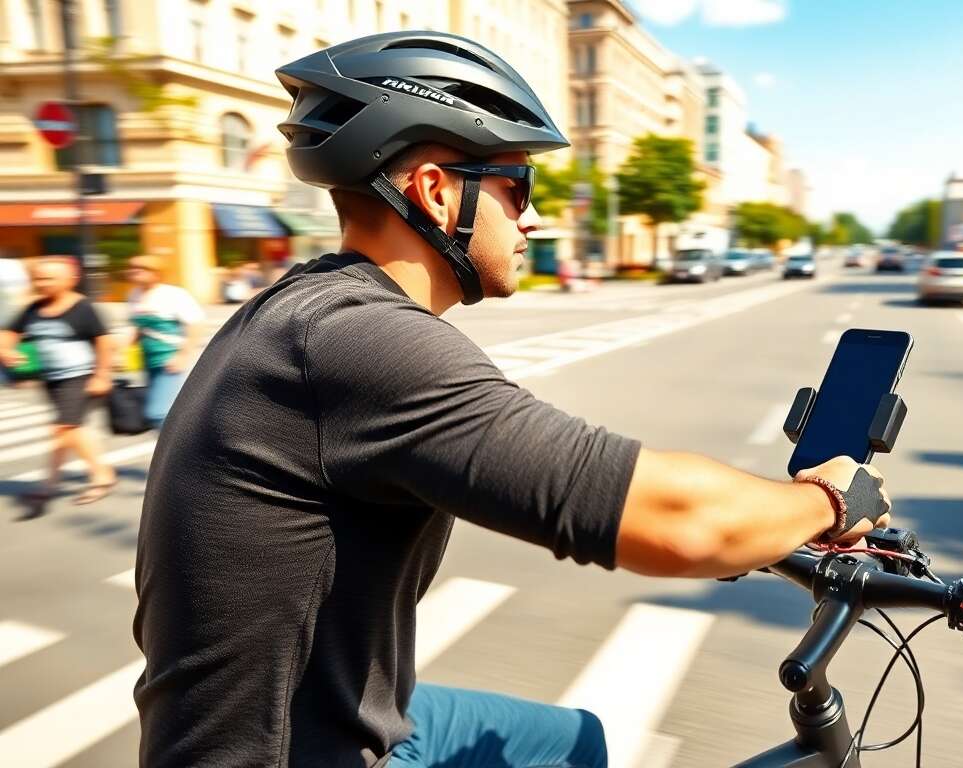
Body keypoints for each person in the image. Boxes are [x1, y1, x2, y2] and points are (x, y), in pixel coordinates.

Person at [132, 32, 892, 768]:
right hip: (289, 753)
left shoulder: (303, 308)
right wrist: (831, 498)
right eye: (517, 186)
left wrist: (766, 526)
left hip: (332, 712)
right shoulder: (358, 342)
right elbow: (680, 522)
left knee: (571, 743)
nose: (534, 217)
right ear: (436, 191)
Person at [0, 257, 116, 516]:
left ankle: (85, 479)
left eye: (49, 278)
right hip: (52, 379)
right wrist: (6, 351)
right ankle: (66, 480)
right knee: (70, 431)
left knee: (64, 428)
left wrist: (102, 375)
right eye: (39, 278)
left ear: (69, 280)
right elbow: (7, 335)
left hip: (80, 376)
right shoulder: (34, 308)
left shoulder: (82, 307)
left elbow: (104, 342)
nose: (42, 283)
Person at [124, 255, 204, 428]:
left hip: (169, 359)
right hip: (148, 360)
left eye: (141, 269)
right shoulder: (134, 295)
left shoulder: (173, 294)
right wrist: (122, 350)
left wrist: (183, 355)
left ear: (156, 273)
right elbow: (139, 328)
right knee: (168, 408)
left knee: (158, 413)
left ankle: (178, 443)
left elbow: (195, 324)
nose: (134, 272)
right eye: (132, 268)